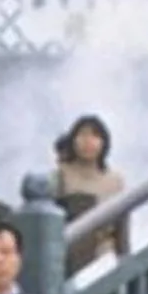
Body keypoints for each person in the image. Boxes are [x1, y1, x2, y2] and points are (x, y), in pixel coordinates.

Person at [55, 114, 126, 266]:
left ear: (104, 143)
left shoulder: (115, 181)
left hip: (106, 256)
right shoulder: (61, 175)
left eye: (94, 136)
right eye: (82, 135)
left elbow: (121, 229)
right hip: (72, 257)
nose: (88, 141)